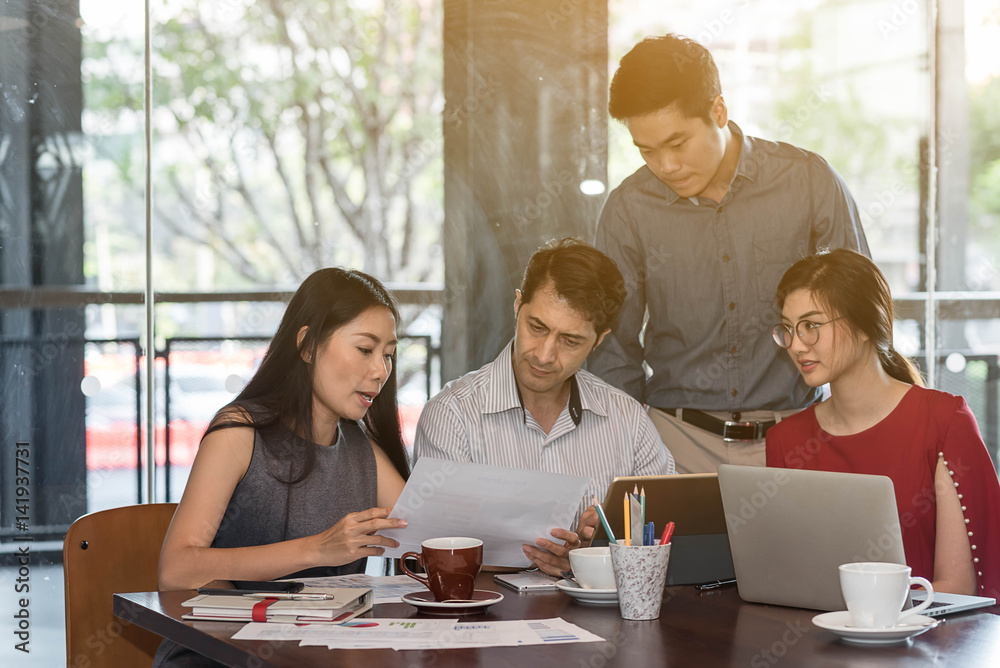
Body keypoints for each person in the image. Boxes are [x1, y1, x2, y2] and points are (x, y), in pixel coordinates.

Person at [589, 34, 870, 474]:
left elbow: (859, 321)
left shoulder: (810, 183)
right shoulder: (628, 208)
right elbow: (612, 350)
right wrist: (628, 451)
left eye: (677, 143)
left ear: (718, 111)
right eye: (646, 150)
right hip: (673, 445)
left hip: (799, 438)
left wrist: (855, 433)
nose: (665, 166)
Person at [153, 268, 410, 667]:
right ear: (307, 345)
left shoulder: (362, 448)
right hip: (219, 655)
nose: (380, 370)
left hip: (312, 654)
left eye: (388, 354)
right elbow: (176, 568)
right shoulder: (239, 433)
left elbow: (427, 527)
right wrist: (316, 550)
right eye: (365, 349)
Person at [414, 238, 675, 577]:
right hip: (486, 621)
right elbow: (435, 549)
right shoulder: (452, 415)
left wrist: (603, 552)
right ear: (517, 304)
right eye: (536, 327)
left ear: (600, 339)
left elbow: (672, 532)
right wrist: (556, 561)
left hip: (602, 623)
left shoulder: (627, 419)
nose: (544, 354)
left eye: (570, 340)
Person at [765, 249, 1000, 600]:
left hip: (923, 644)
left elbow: (959, 589)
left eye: (811, 326)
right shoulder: (785, 439)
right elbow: (789, 580)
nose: (796, 345)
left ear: (863, 325)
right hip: (814, 645)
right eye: (788, 329)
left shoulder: (944, 421)